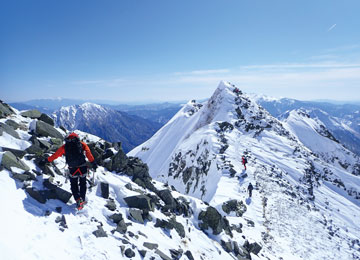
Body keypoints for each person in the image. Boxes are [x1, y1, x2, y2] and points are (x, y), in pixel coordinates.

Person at [44, 132, 97, 210]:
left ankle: (78, 200)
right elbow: (88, 154)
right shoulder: (82, 144)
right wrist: (93, 163)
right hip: (82, 167)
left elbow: (56, 155)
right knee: (83, 183)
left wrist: (47, 160)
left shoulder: (65, 146)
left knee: (74, 184)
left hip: (72, 169)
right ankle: (82, 199)